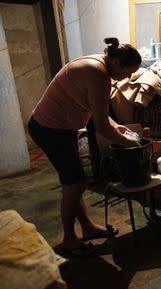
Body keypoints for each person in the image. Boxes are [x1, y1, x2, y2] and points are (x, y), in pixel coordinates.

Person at [28, 37, 142, 256]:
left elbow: (101, 115)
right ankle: (69, 240)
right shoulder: (98, 74)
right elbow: (100, 127)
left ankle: (87, 228)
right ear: (117, 63)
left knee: (74, 181)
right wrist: (130, 142)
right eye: (128, 73)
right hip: (50, 129)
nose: (127, 78)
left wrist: (120, 128)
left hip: (60, 127)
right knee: (75, 182)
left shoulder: (101, 64)